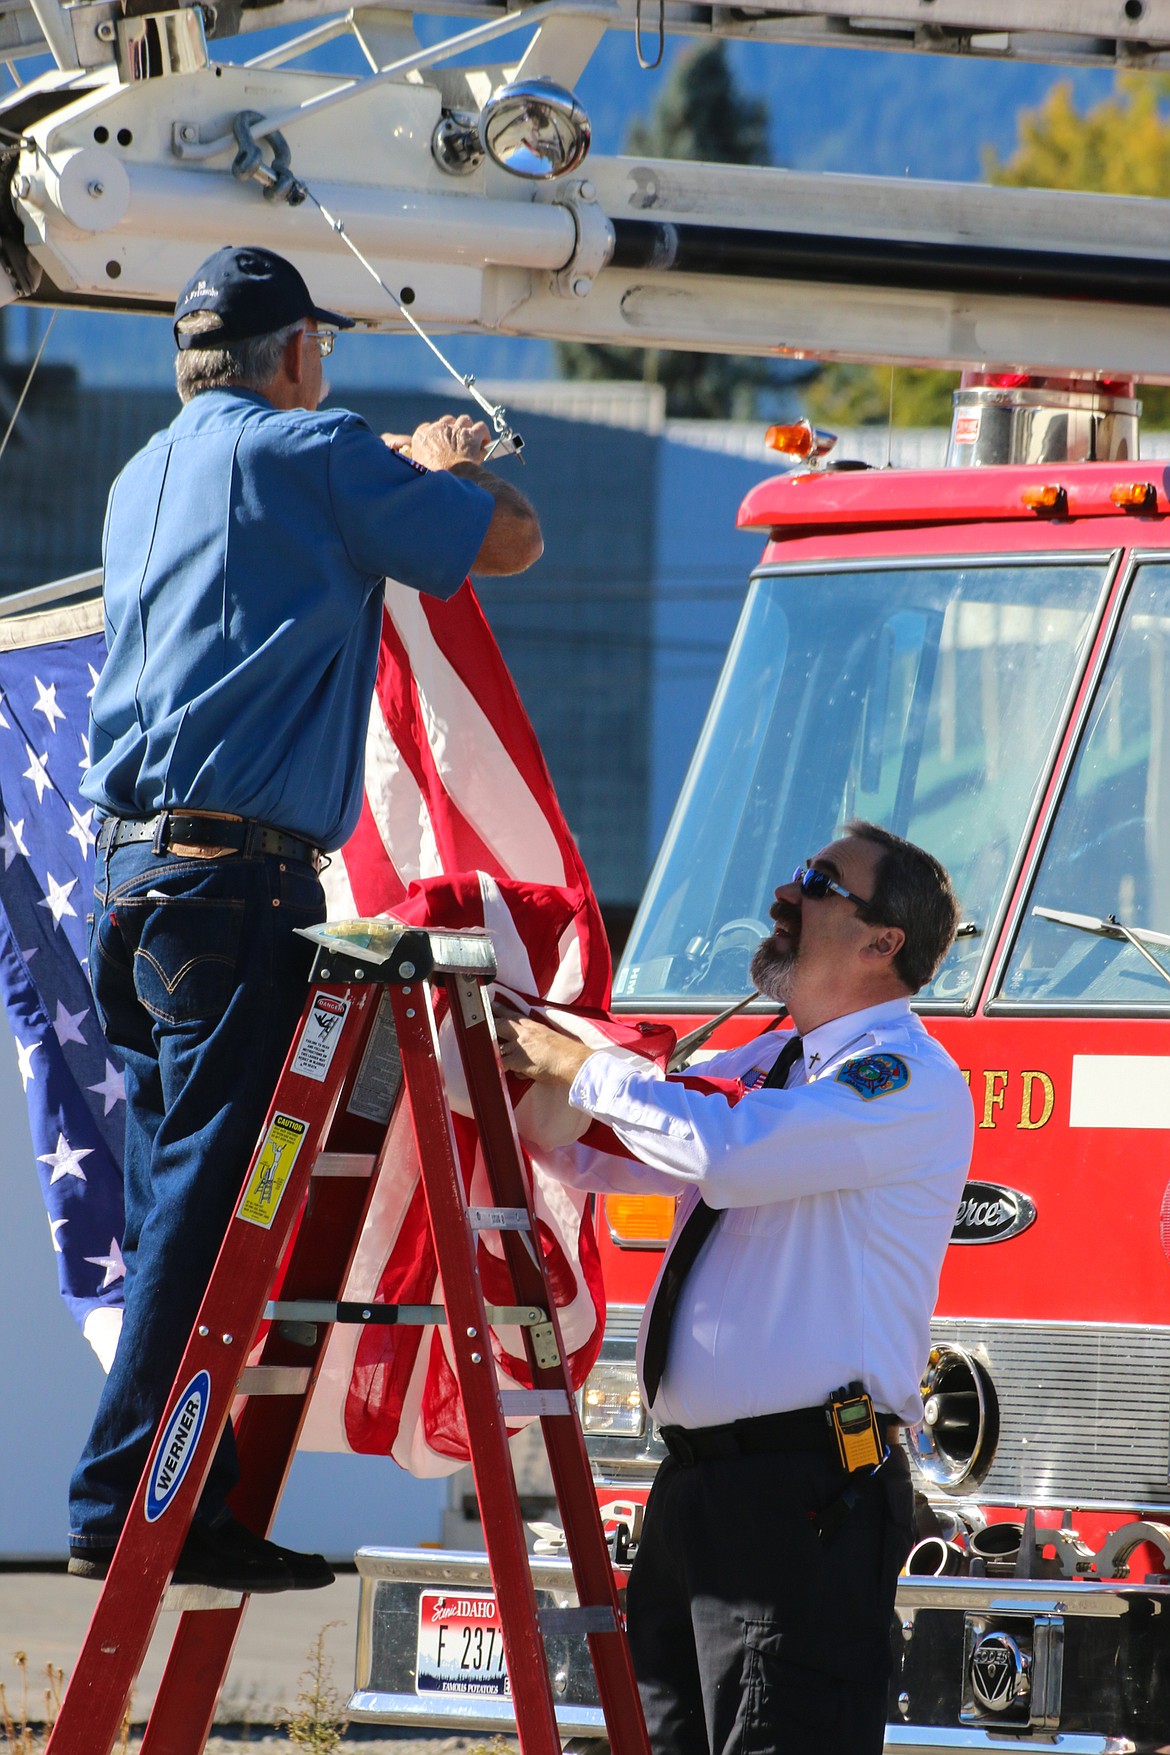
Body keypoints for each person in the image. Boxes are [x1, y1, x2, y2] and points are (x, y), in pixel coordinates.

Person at [67, 244, 542, 1594]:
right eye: (316, 348)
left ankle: (181, 1491)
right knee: (216, 1212)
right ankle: (130, 1497)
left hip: (139, 884)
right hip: (236, 887)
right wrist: (442, 471)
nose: (323, 367)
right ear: (290, 358)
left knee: (185, 1203)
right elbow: (510, 542)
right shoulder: (310, 450)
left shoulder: (139, 473)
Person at [496, 821, 974, 1755]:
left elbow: (725, 1149)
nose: (783, 897)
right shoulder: (767, 1067)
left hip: (805, 1499)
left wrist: (585, 1067)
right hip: (701, 1493)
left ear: (884, 942)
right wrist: (517, 1048)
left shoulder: (904, 1077)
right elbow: (598, 1148)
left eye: (819, 882)